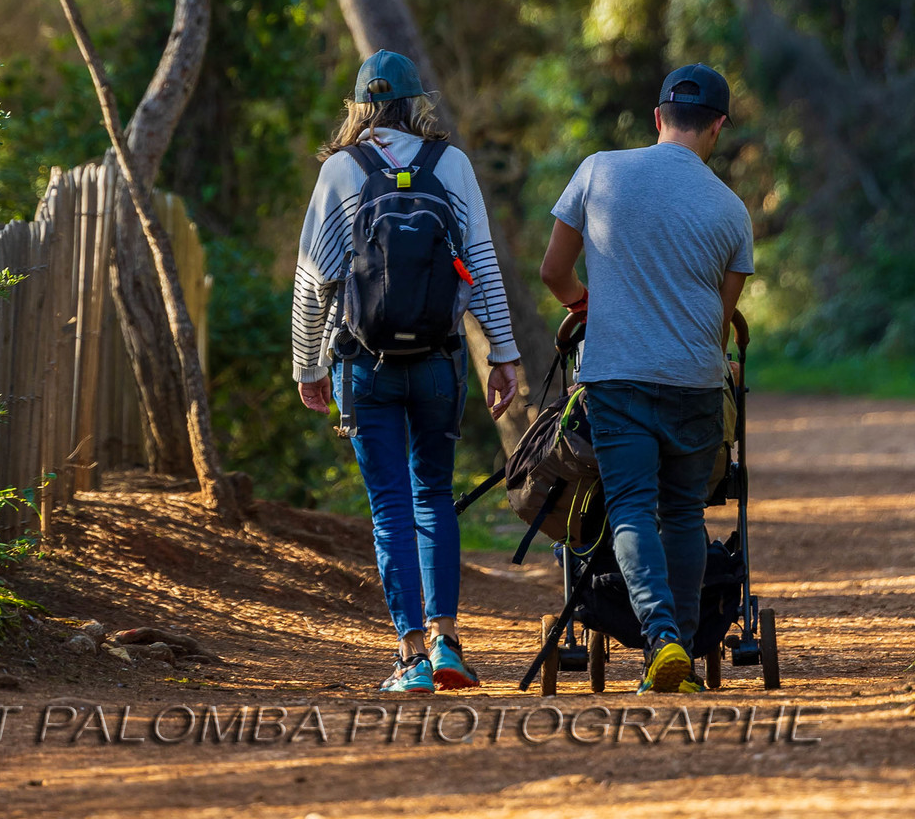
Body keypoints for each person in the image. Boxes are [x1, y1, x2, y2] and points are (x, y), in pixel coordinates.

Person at [292, 50, 521, 695]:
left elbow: (315, 279)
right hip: (441, 364)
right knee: (434, 499)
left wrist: (307, 365)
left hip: (364, 366)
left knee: (389, 505)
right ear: (420, 103)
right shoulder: (452, 165)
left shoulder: (341, 169)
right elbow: (482, 267)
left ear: (360, 108)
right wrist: (501, 355)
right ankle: (449, 643)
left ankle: (411, 656)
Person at [539, 63, 753, 698]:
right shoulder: (732, 210)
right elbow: (719, 323)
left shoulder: (598, 170)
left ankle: (660, 641)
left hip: (616, 380)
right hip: (693, 381)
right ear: (716, 127)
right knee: (683, 513)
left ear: (658, 117)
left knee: (631, 505)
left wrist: (588, 305)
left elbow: (554, 272)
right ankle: (680, 650)